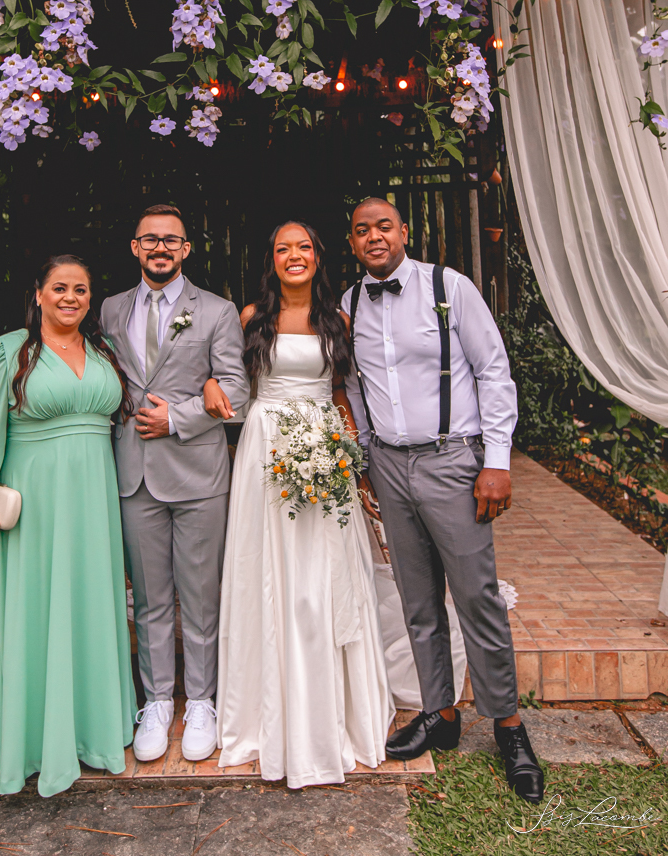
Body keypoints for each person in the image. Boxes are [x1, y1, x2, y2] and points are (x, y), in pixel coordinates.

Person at [342, 198, 544, 803]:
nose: (374, 237)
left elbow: (493, 371)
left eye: (384, 226)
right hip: (388, 464)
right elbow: (353, 385)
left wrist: (497, 461)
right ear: (352, 243)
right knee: (418, 598)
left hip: (452, 459)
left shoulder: (448, 287)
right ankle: (440, 714)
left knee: (477, 595)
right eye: (362, 230)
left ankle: (508, 726)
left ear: (404, 231)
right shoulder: (349, 304)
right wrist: (365, 460)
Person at [0, 256, 137, 797]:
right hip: (37, 502)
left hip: (94, 502)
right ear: (39, 294)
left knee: (89, 605)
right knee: (37, 609)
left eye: (80, 289)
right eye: (60, 288)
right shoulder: (8, 352)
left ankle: (94, 732)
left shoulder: (103, 351)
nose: (70, 297)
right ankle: (31, 742)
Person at [214, 221, 393, 787]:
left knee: (322, 572)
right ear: (272, 260)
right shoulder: (251, 317)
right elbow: (231, 382)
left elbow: (340, 392)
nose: (294, 255)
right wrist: (208, 387)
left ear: (317, 257)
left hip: (324, 445)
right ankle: (265, 712)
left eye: (304, 247)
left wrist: (353, 463)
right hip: (265, 445)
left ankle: (328, 711)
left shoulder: (337, 320)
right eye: (283, 248)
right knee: (265, 570)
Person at [99, 205, 250, 765]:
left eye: (171, 240)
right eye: (150, 239)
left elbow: (237, 390)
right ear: (135, 247)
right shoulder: (110, 309)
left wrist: (178, 418)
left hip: (198, 475)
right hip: (133, 473)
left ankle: (203, 701)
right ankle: (158, 700)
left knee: (201, 596)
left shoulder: (216, 310)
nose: (160, 248)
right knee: (149, 597)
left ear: (186, 249)